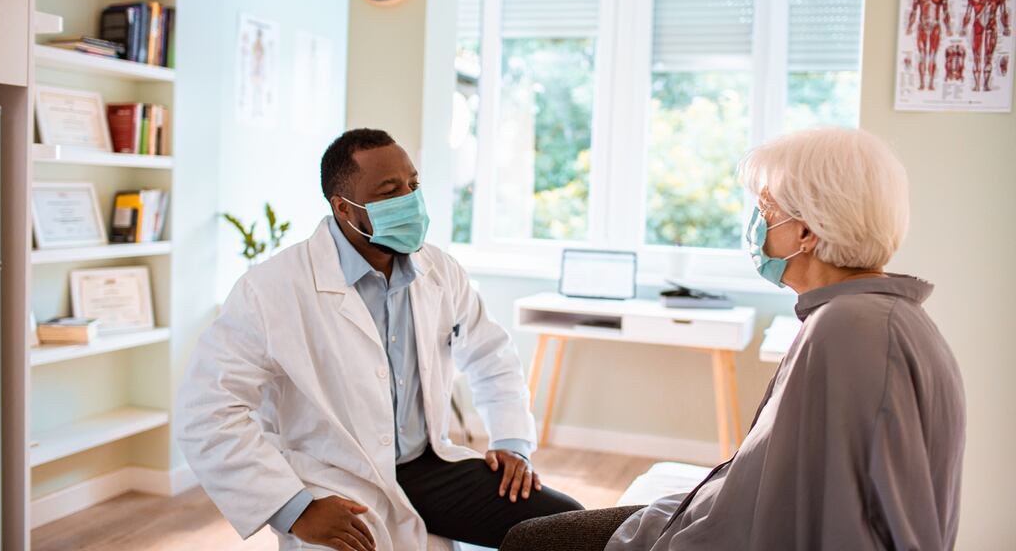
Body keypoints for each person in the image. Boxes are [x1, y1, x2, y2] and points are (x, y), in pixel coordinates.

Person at [500, 128, 966, 551]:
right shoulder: (875, 317)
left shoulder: (850, 329)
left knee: (531, 541)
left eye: (766, 211)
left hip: (725, 532)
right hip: (723, 513)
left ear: (805, 232)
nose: (758, 226)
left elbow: (851, 523)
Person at [177, 128, 583, 551]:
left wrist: (512, 442)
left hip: (429, 466)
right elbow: (206, 410)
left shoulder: (439, 271)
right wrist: (295, 508)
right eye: (390, 191)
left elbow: (491, 355)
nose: (410, 200)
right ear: (343, 208)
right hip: (336, 478)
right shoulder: (271, 289)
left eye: (413, 185)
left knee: (569, 529)